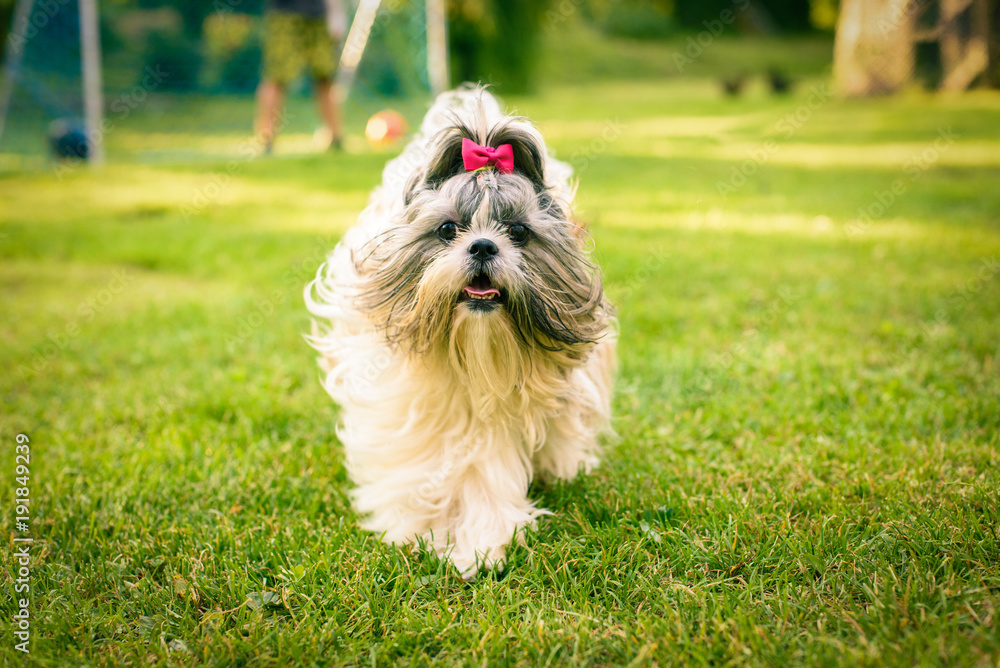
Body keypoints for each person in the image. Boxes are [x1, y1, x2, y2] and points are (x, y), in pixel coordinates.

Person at [255, 0, 346, 154]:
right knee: (276, 77)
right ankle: (266, 139)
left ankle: (336, 138)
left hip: (318, 16)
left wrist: (336, 13)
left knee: (325, 77)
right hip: (284, 15)